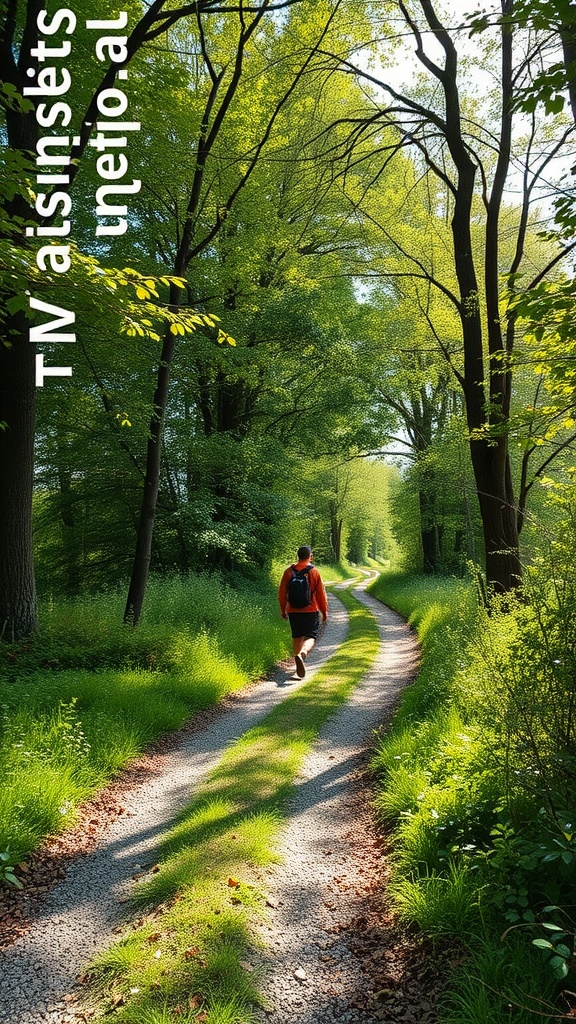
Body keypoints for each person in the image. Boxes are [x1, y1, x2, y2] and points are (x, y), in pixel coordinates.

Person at [278, 545, 328, 678]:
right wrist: (324, 611)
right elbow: (320, 594)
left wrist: (283, 610)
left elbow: (282, 594)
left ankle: (296, 666)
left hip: (293, 611)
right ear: (310, 556)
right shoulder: (314, 572)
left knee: (297, 636)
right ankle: (303, 653)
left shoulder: (289, 572)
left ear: (298, 556)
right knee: (311, 636)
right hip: (310, 610)